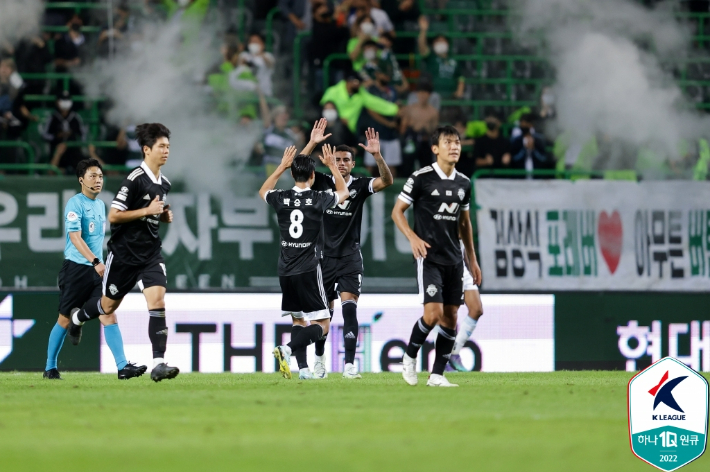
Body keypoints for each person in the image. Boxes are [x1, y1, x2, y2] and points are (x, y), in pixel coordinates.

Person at [67, 123, 179, 383]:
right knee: (107, 305)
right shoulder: (134, 179)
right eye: (161, 146)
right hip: (124, 256)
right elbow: (114, 215)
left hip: (150, 255)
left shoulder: (164, 183)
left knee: (158, 301)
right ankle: (79, 316)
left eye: (168, 147)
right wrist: (147, 211)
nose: (166, 151)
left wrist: (160, 215)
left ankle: (158, 363)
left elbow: (151, 211)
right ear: (146, 149)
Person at [301, 121, 393, 379]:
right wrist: (312, 143)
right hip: (322, 258)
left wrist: (377, 155)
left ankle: (350, 365)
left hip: (350, 256)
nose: (341, 163)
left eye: (346, 160)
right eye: (337, 159)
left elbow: (387, 180)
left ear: (353, 164)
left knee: (349, 307)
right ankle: (319, 361)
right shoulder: (320, 181)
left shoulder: (361, 186)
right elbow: (297, 168)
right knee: (324, 314)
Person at [391, 125, 481, 387]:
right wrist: (413, 237)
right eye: (448, 142)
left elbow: (465, 224)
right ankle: (409, 358)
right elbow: (397, 211)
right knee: (433, 314)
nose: (455, 147)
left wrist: (472, 260)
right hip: (429, 258)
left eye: (457, 143)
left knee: (451, 317)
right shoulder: (420, 178)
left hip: (455, 258)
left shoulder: (464, 182)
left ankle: (437, 375)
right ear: (435, 149)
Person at [44, 159, 146, 381]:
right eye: (92, 176)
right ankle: (50, 368)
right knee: (62, 319)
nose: (98, 180)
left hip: (97, 270)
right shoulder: (75, 203)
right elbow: (75, 237)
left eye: (100, 176)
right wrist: (94, 261)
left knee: (108, 312)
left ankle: (122, 367)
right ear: (81, 180)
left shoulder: (101, 205)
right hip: (76, 269)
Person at [261, 145, 350, 380]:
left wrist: (281, 165)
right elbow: (344, 192)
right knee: (323, 324)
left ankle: (303, 370)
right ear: (312, 176)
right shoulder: (318, 198)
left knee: (298, 319)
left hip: (285, 269)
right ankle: (287, 349)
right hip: (309, 268)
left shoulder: (281, 197)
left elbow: (263, 191)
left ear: (292, 174)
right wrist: (332, 166)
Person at [447, 239, 484, 372]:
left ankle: (454, 353)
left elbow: (463, 242)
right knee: (448, 313)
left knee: (476, 309)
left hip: (461, 266)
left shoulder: (461, 219)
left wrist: (470, 265)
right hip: (443, 267)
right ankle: (444, 360)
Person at [41, 91, 90, 175]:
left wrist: (77, 143)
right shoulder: (53, 117)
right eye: (62, 100)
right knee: (52, 170)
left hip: (73, 152)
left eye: (67, 100)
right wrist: (56, 136)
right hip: (57, 150)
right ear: (57, 102)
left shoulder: (75, 117)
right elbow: (45, 135)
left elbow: (83, 135)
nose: (65, 103)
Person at [417, 16, 465, 100]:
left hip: (451, 98)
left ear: (448, 44)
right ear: (434, 44)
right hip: (433, 97)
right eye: (437, 41)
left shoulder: (454, 61)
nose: (440, 43)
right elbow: (422, 47)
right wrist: (423, 30)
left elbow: (460, 77)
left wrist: (459, 91)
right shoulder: (431, 57)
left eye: (443, 41)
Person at [400, 81, 439, 176]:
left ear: (429, 95)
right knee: (407, 167)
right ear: (417, 94)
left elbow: (434, 130)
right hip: (411, 141)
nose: (422, 96)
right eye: (420, 93)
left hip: (425, 142)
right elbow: (403, 127)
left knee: (426, 169)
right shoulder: (410, 109)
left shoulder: (433, 112)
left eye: (425, 93)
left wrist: (427, 129)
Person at [510, 113, 551, 178]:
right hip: (520, 177)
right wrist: (524, 149)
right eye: (522, 124)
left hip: (537, 177)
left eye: (526, 124)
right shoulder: (516, 140)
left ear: (531, 125)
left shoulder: (539, 140)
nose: (523, 126)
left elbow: (543, 159)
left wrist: (533, 149)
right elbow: (514, 159)